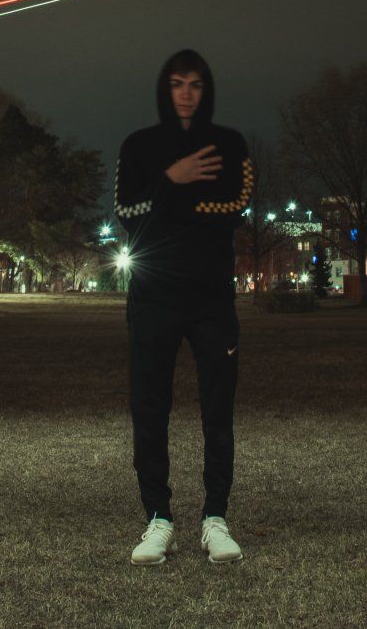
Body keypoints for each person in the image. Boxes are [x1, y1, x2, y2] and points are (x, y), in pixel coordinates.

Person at [113, 48, 252, 565]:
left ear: (206, 87)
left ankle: (215, 518)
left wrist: (167, 204)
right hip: (152, 299)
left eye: (195, 83)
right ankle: (159, 519)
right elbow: (130, 215)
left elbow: (233, 209)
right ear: (165, 88)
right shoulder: (140, 146)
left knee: (218, 411)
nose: (186, 92)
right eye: (177, 83)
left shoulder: (230, 144)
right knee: (149, 409)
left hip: (212, 300)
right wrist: (173, 178)